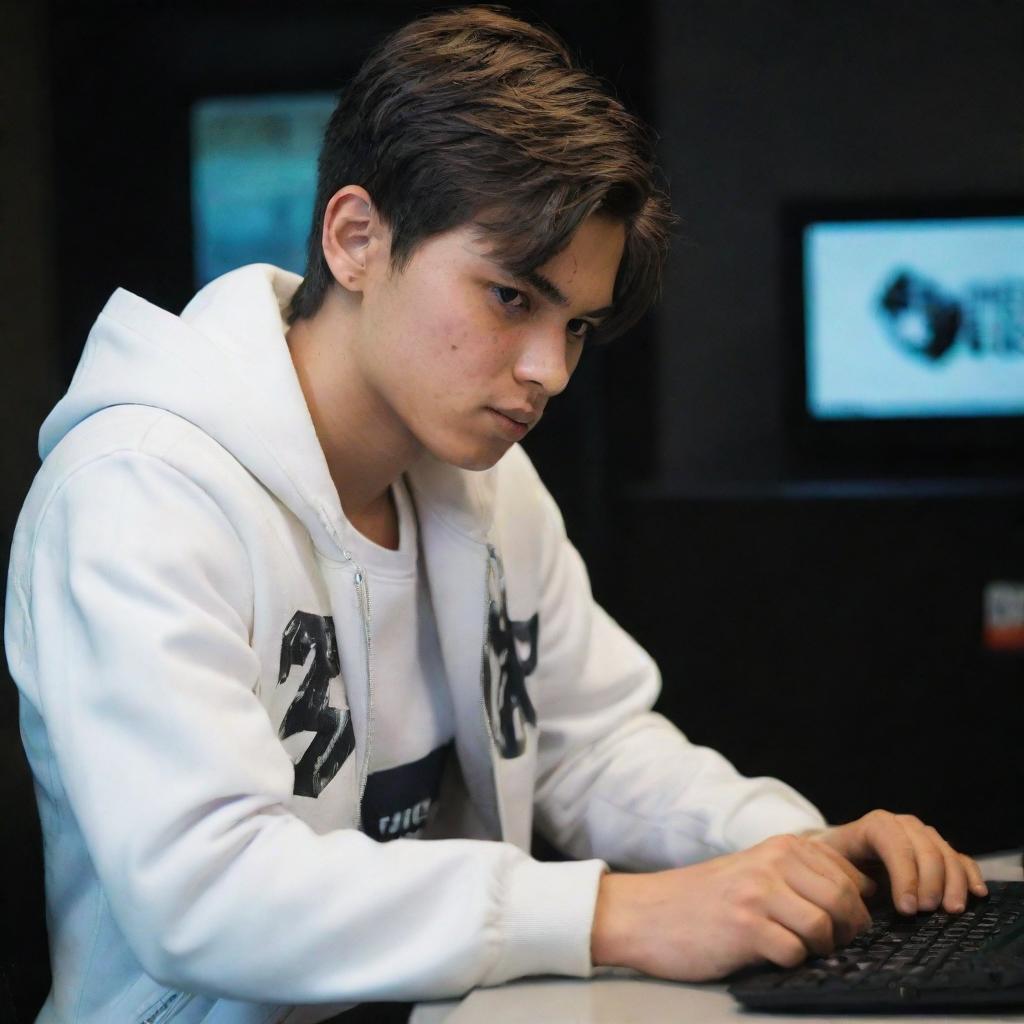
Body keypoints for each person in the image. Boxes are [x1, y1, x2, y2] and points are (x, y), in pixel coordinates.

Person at [5, 6, 986, 1023]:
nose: (547, 371)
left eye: (576, 325)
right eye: (512, 297)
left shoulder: (485, 478)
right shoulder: (137, 489)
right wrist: (611, 912)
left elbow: (587, 742)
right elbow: (204, 894)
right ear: (356, 238)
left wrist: (783, 848)